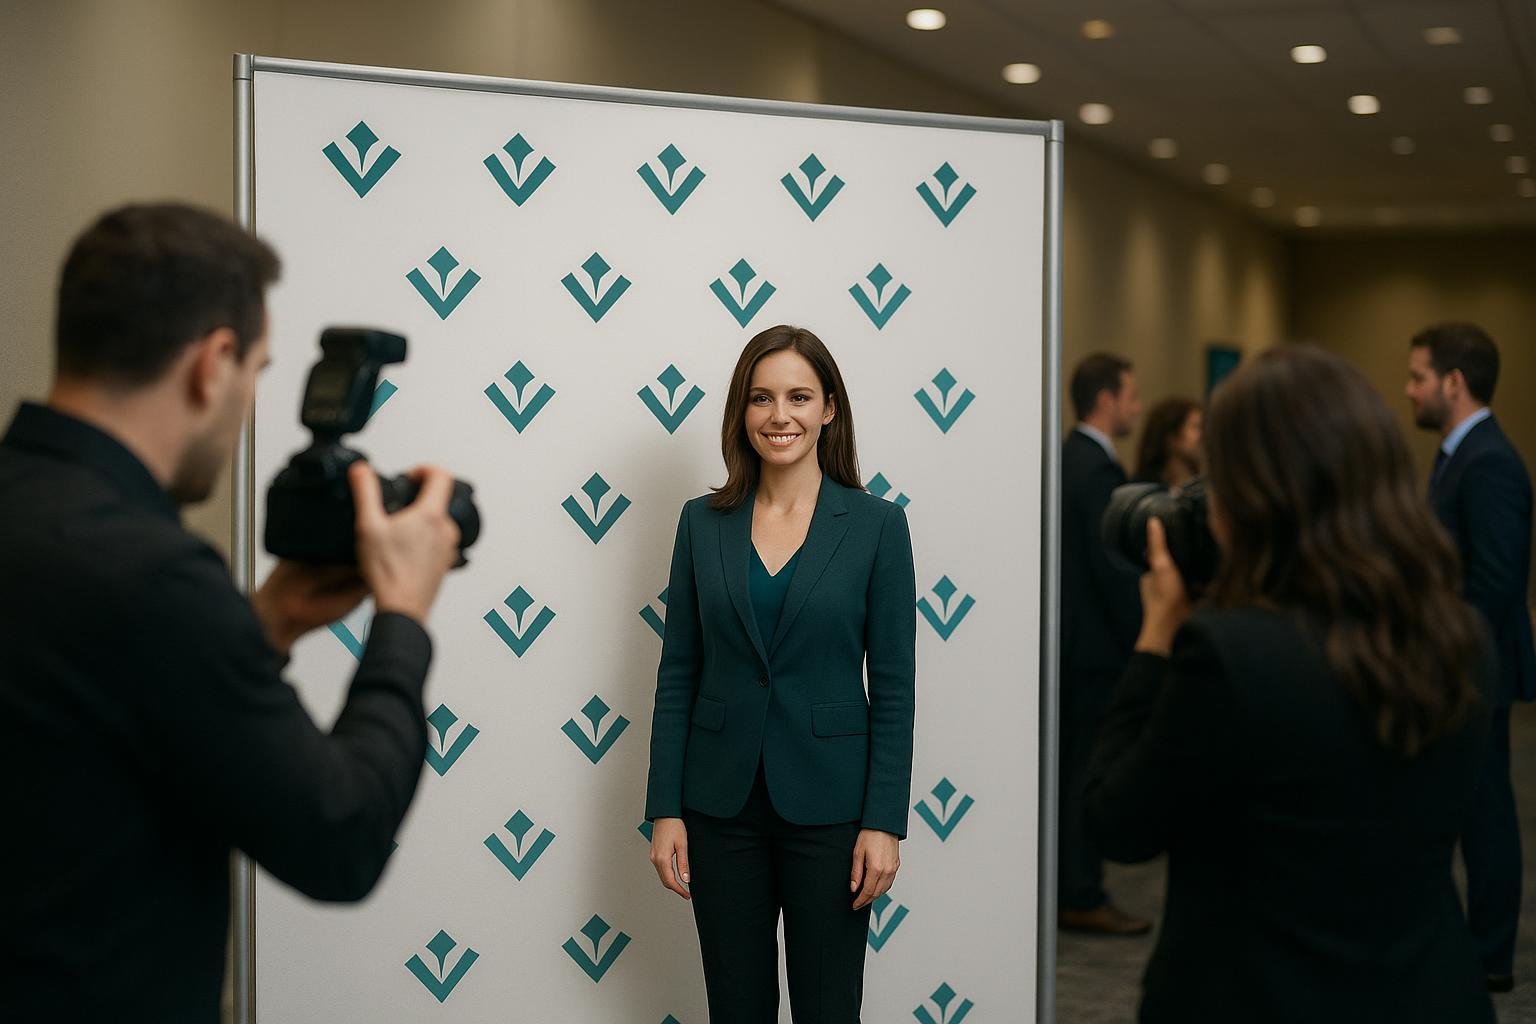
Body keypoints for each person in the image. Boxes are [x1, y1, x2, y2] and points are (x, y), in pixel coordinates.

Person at [0, 204, 462, 1020]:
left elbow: (92, 718)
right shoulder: (153, 577)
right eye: (256, 370)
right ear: (212, 365)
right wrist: (402, 618)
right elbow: (341, 838)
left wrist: (271, 619)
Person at [1087, 345, 1496, 1023]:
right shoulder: (1464, 641)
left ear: (1255, 493)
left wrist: (1158, 633)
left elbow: (1117, 822)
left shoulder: (1230, 656)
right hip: (1430, 994)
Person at [644, 324, 916, 1023]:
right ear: (742, 412)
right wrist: (666, 808)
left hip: (833, 808)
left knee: (829, 1009)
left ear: (830, 408)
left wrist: (884, 821)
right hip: (718, 804)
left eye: (799, 396)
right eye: (760, 398)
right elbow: (679, 670)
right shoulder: (701, 523)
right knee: (737, 1008)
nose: (779, 415)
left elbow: (893, 685)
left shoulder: (878, 527)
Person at [1406, 322, 1535, 991]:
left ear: (1454, 382)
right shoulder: (1458, 455)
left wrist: (1451, 664)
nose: (1409, 391)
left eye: (1418, 377)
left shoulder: (1489, 463)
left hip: (1473, 668)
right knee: (1467, 807)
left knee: (1484, 813)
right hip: (1458, 665)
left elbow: (1493, 583)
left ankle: (1489, 956)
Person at [1058, 352, 1148, 935]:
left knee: (1076, 773)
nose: (1137, 406)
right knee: (1086, 777)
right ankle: (1081, 891)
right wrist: (1148, 639)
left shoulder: (1072, 459)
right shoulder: (1095, 470)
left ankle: (1077, 886)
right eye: (1131, 394)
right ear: (1107, 399)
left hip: (1076, 650)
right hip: (1095, 654)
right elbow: (1113, 571)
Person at [1132, 396, 1202, 489]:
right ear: (1171, 437)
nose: (1203, 435)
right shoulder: (1140, 489)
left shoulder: (1206, 489)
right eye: (1196, 427)